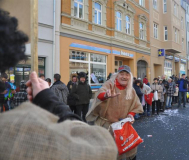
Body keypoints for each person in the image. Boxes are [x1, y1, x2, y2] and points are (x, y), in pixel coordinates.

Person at [0, 9, 117, 160]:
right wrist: (50, 100)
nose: (78, 79)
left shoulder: (82, 85)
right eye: (77, 78)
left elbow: (87, 93)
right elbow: (101, 148)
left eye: (79, 78)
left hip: (77, 104)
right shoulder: (15, 128)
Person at [86, 65, 143, 160]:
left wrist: (131, 115)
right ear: (117, 75)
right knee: (110, 154)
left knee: (131, 151)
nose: (124, 77)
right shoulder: (110, 84)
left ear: (130, 77)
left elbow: (136, 105)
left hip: (123, 127)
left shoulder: (131, 90)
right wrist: (106, 95)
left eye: (127, 74)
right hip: (107, 127)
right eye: (122, 74)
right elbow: (100, 95)